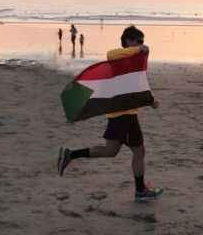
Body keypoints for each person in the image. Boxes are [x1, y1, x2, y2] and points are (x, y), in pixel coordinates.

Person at [57, 26, 163, 202]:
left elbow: (134, 88)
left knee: (111, 150)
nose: (143, 45)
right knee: (139, 151)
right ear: (129, 41)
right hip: (124, 115)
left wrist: (150, 101)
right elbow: (110, 54)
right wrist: (138, 50)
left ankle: (70, 154)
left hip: (118, 113)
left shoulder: (130, 64)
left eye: (143, 42)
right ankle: (140, 191)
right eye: (139, 41)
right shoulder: (119, 59)